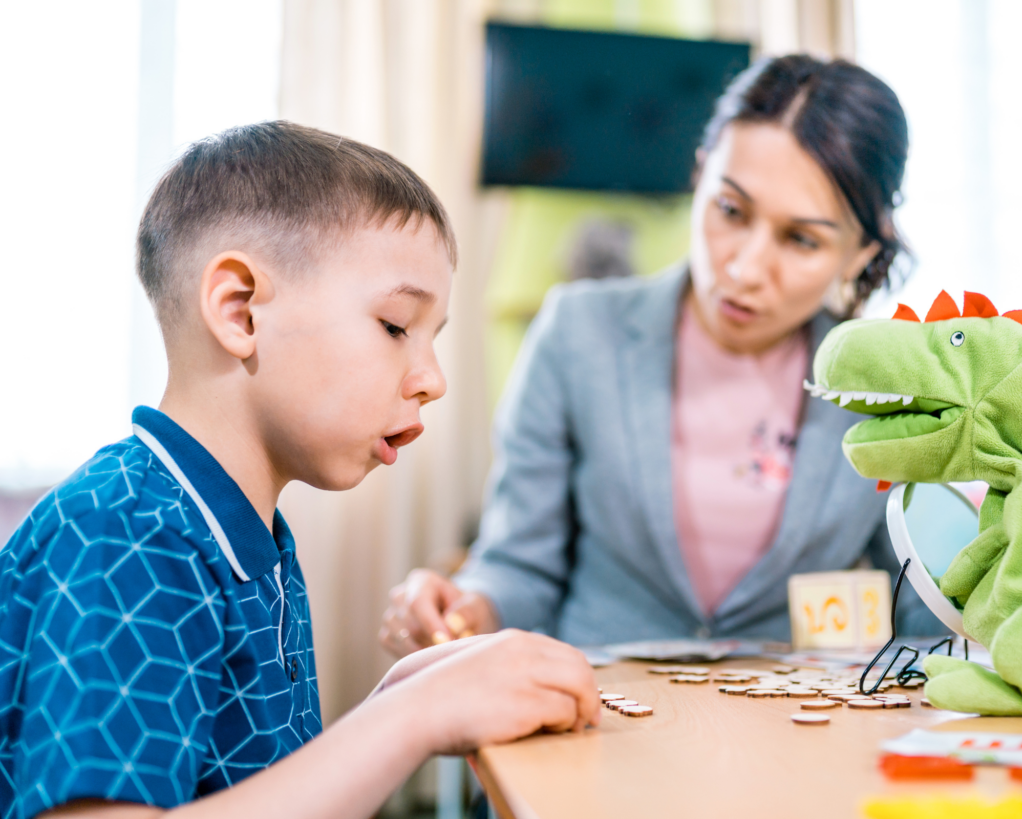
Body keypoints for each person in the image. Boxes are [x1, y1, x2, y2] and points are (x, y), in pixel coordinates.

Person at [0, 122, 600, 819]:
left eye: (433, 340)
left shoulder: (247, 534)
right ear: (240, 311)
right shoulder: (126, 533)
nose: (433, 379)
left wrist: (396, 702)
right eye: (396, 326)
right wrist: (411, 719)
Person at [381, 55, 944, 656]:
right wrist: (466, 609)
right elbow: (520, 564)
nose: (745, 268)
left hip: (797, 730)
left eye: (801, 238)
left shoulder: (886, 394)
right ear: (700, 178)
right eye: (731, 210)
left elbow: (925, 601)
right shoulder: (579, 335)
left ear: (862, 253)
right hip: (597, 716)